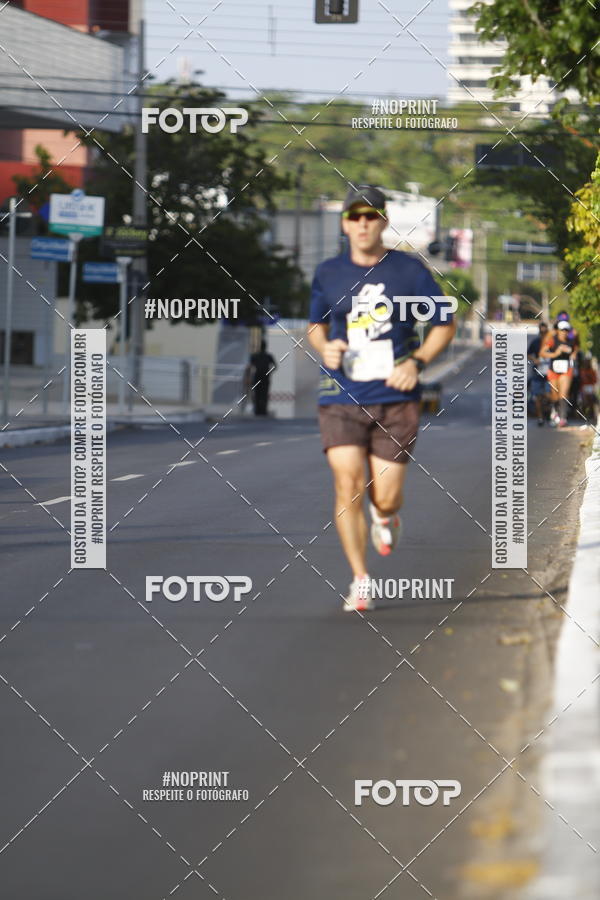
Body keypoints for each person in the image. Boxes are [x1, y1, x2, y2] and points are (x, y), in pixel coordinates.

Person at [307, 184, 456, 612]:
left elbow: (444, 321)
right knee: (347, 485)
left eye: (371, 216)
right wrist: (324, 347)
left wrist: (418, 361)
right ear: (344, 223)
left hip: (395, 397)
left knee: (385, 496)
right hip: (339, 393)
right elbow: (315, 324)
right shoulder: (329, 273)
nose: (362, 224)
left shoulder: (407, 271)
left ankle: (386, 516)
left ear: (384, 222)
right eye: (355, 216)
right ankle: (360, 579)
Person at [540, 316, 579, 427]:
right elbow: (542, 353)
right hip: (554, 369)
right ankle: (555, 411)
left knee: (564, 394)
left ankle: (563, 417)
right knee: (555, 394)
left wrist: (573, 354)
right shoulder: (552, 340)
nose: (564, 332)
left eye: (567, 330)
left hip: (566, 369)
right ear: (558, 330)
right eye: (562, 330)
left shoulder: (571, 341)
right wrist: (555, 353)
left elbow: (575, 349)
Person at [527, 322, 550, 425]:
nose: (543, 334)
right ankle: (540, 417)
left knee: (549, 394)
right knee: (537, 395)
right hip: (538, 372)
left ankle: (548, 413)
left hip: (549, 373)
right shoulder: (535, 342)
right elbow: (528, 354)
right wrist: (535, 359)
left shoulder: (552, 343)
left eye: (545, 332)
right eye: (541, 332)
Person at [248, 339, 277, 416]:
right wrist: (269, 372)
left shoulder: (254, 356)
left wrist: (250, 376)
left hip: (257, 377)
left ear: (259, 347)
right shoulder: (269, 356)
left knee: (257, 394)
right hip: (265, 378)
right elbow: (275, 366)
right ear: (265, 347)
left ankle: (257, 410)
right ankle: (263, 410)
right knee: (264, 394)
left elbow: (250, 367)